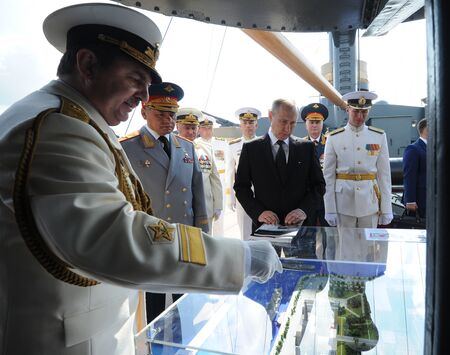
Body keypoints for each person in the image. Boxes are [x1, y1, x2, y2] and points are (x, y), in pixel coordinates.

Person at [0, 4, 281, 355]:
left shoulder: (74, 120)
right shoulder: (57, 128)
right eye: (136, 79)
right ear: (87, 64)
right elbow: (110, 235)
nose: (144, 98)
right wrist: (237, 258)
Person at [119, 83, 209, 323]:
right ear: (144, 111)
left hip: (185, 235)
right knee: (154, 307)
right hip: (150, 237)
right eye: (160, 113)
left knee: (186, 302)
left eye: (171, 114)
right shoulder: (127, 147)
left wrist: (203, 235)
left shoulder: (187, 147)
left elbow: (198, 193)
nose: (167, 120)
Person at [234, 99, 326, 232]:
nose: (288, 129)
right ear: (271, 116)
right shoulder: (251, 149)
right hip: (265, 226)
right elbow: (241, 188)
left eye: (293, 123)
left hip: (300, 227)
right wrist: (259, 212)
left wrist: (303, 210)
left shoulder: (306, 149)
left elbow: (319, 186)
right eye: (283, 122)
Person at [323, 90, 393, 228]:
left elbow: (384, 175)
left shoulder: (378, 136)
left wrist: (386, 208)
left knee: (369, 248)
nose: (360, 116)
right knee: (346, 248)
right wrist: (329, 208)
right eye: (356, 111)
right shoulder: (334, 137)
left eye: (364, 112)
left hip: (369, 202)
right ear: (348, 109)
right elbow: (328, 177)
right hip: (343, 203)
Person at [177, 108, 223, 234]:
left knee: (205, 245)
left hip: (205, 209)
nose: (191, 132)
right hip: (181, 210)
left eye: (194, 128)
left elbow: (215, 179)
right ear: (178, 127)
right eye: (187, 127)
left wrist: (218, 205)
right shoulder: (171, 149)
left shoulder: (206, 149)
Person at [225, 107, 261, 240]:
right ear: (240, 125)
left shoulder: (264, 144)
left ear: (256, 125)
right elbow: (229, 173)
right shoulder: (233, 146)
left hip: (262, 193)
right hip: (243, 194)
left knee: (263, 231)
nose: (248, 126)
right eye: (245, 123)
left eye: (251, 123)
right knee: (245, 232)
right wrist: (230, 197)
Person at [301, 102, 330, 227]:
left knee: (329, 236)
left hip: (327, 198)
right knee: (307, 236)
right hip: (307, 198)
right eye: (311, 122)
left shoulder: (330, 143)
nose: (314, 125)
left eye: (317, 122)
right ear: (306, 124)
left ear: (322, 123)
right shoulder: (299, 145)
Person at [196, 113, 225, 235]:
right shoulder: (195, 144)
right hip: (204, 189)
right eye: (204, 128)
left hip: (220, 185)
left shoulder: (222, 143)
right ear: (199, 129)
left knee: (219, 226)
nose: (207, 131)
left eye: (209, 128)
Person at [403, 118, 428, 218]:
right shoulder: (413, 149)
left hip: (432, 200)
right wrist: (410, 200)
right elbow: (409, 175)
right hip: (420, 201)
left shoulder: (434, 147)